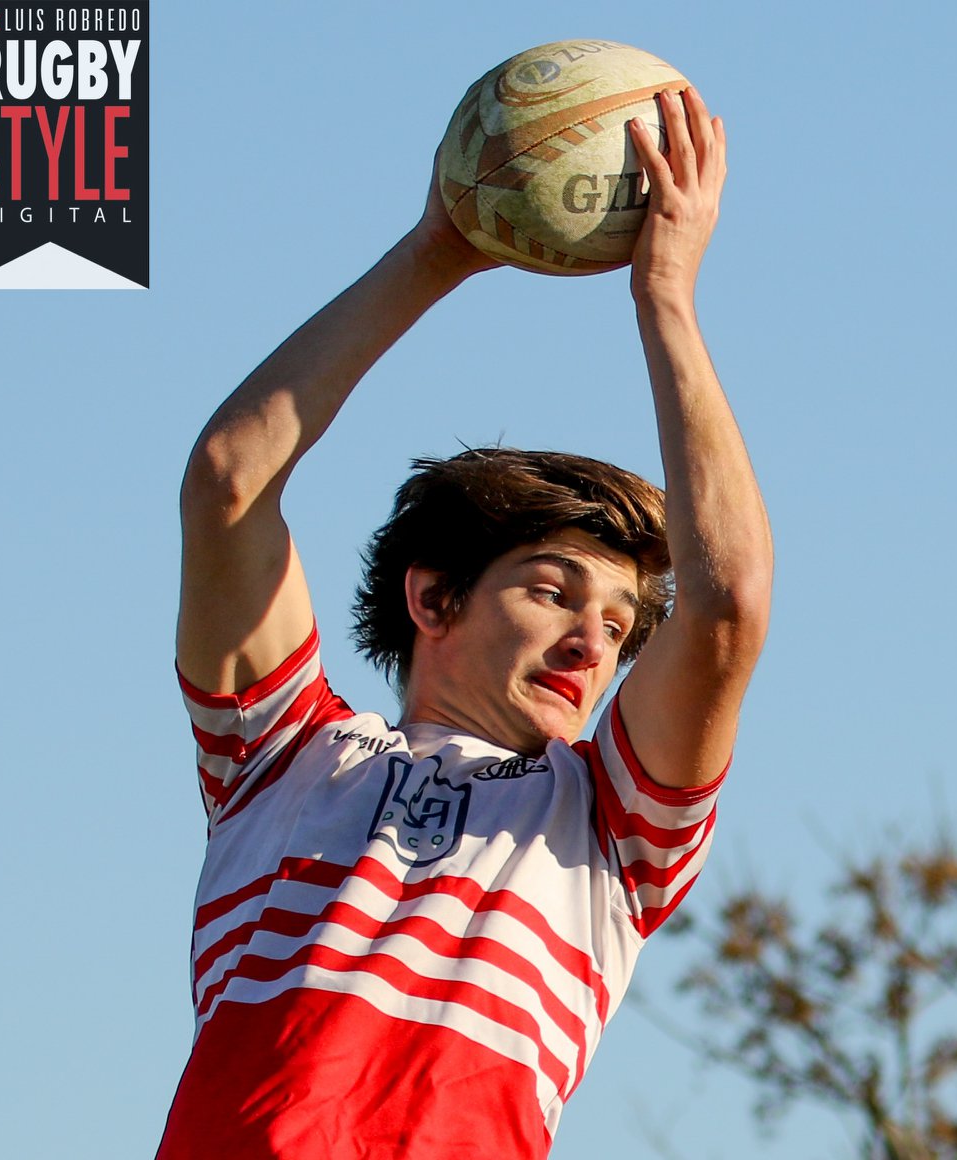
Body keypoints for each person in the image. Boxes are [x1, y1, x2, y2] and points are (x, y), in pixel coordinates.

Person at [156, 88, 770, 1159]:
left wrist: (666, 294)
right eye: (552, 590)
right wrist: (441, 249)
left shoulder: (613, 831)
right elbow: (229, 481)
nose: (595, 639)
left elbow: (726, 606)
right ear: (434, 598)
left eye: (623, 623)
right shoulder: (281, 760)